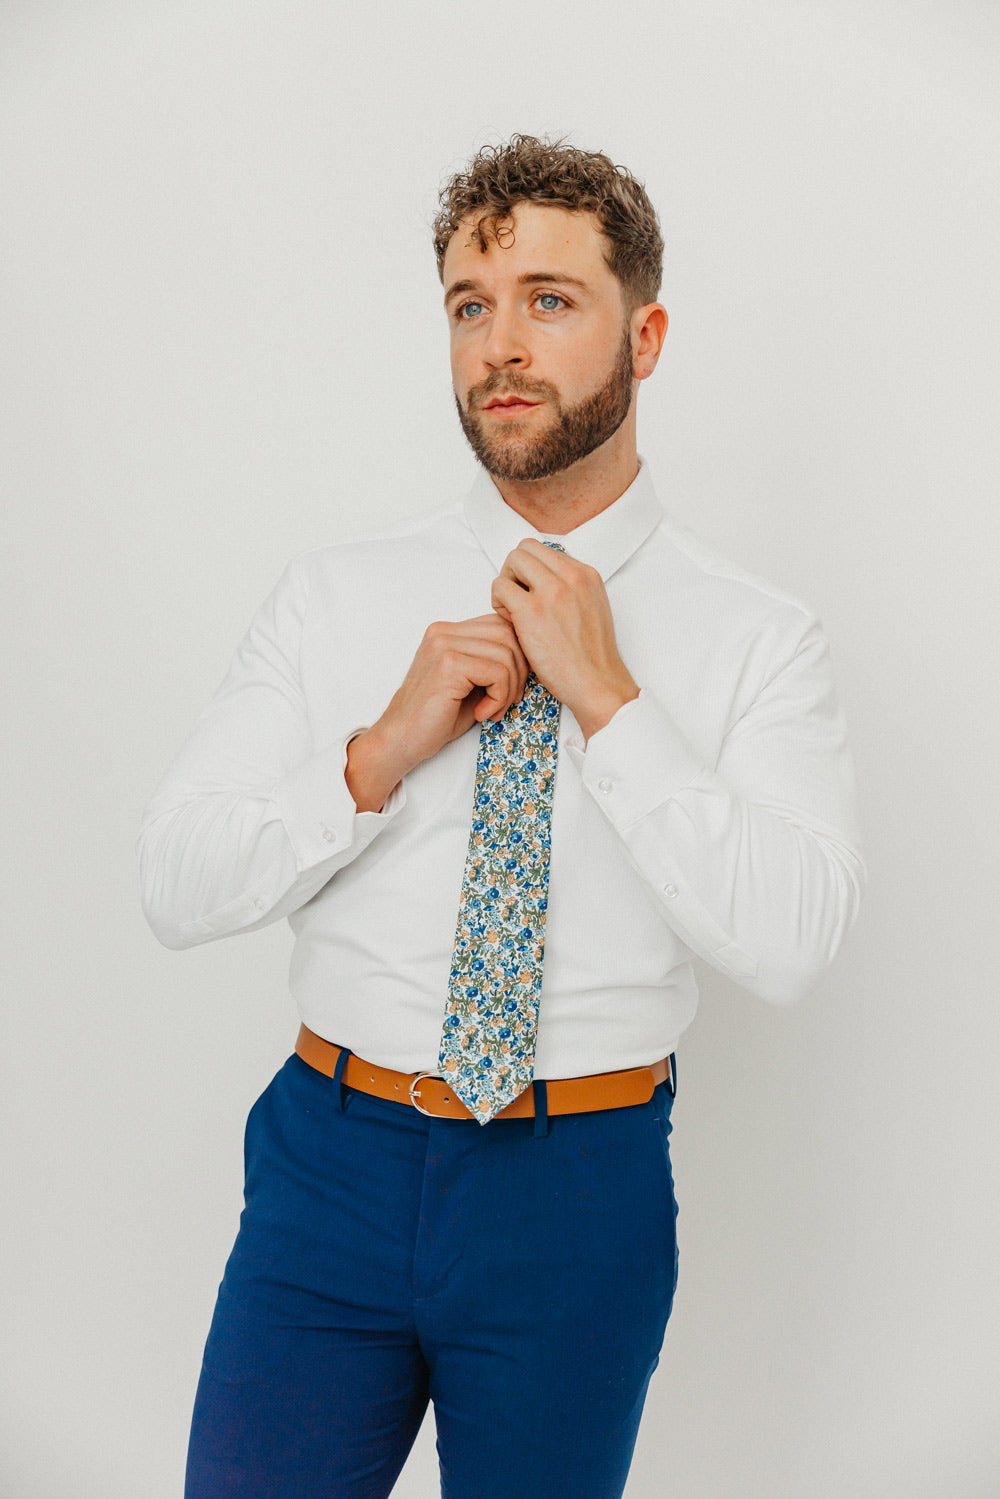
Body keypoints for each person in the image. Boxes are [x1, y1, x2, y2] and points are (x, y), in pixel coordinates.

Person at [139, 134, 865, 1499]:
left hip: (574, 1191)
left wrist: (613, 706)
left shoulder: (760, 637)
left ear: (644, 337)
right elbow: (174, 880)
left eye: (550, 298)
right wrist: (377, 751)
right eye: (472, 306)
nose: (501, 346)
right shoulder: (334, 595)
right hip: (328, 1168)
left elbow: (796, 938)